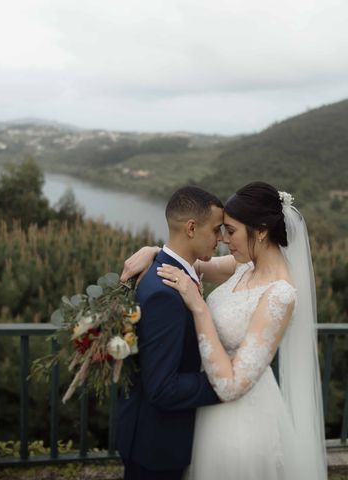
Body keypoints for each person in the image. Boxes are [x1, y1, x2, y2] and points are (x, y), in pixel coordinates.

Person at [121, 181, 328, 479]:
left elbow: (232, 385)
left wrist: (200, 307)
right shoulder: (245, 265)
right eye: (221, 231)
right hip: (204, 411)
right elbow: (191, 260)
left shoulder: (280, 294)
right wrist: (152, 251)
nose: (223, 240)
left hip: (242, 418)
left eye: (230, 231)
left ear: (260, 231)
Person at [115, 186, 224, 480]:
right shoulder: (166, 291)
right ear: (191, 227)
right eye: (216, 230)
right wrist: (224, 383)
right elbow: (162, 387)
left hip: (155, 439)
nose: (221, 238)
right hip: (156, 447)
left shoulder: (171, 269)